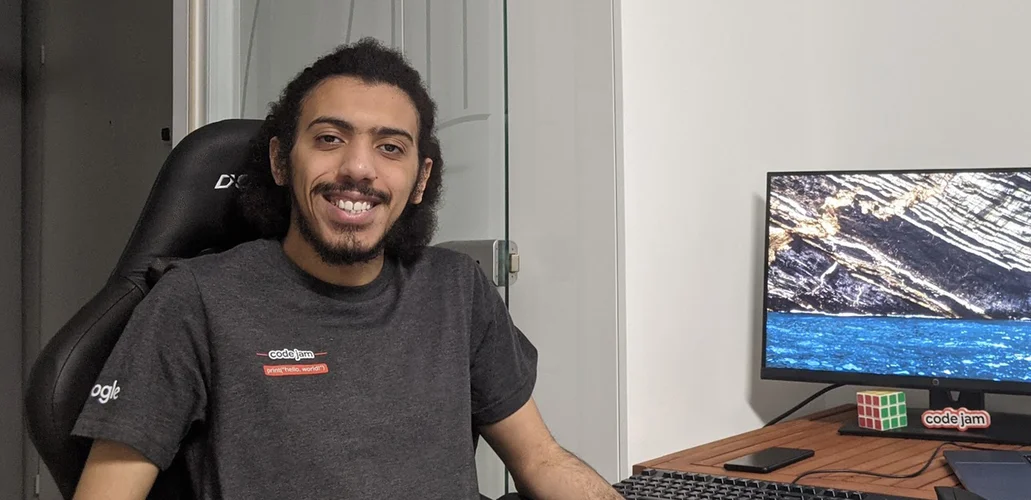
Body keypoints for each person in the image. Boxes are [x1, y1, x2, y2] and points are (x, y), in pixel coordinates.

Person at [70, 38, 622, 500]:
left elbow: (543, 460)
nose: (358, 168)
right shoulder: (195, 302)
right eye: (330, 139)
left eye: (390, 147)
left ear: (420, 179)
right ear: (281, 161)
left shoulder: (457, 290)